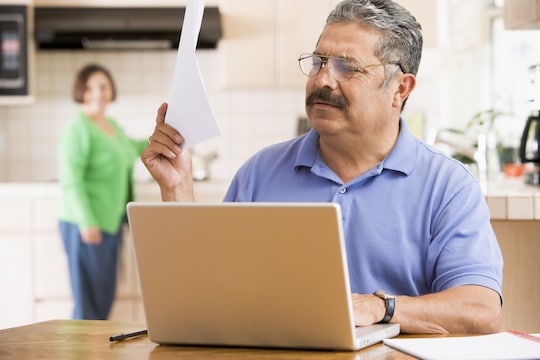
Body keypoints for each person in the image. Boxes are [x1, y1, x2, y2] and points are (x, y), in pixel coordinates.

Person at [141, 0, 503, 334]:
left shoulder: (448, 186)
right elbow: (207, 294)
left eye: (347, 67)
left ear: (400, 88)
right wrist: (177, 189)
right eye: (318, 62)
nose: (322, 80)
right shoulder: (259, 173)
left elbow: (480, 311)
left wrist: (381, 308)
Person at [58, 64, 147, 320]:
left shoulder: (112, 127)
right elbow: (71, 180)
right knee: (88, 305)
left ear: (111, 91)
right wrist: (87, 222)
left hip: (110, 223)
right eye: (90, 87)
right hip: (85, 225)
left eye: (103, 86)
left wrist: (163, 134)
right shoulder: (78, 129)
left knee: (104, 300)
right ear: (81, 92)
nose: (97, 93)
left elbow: (133, 149)